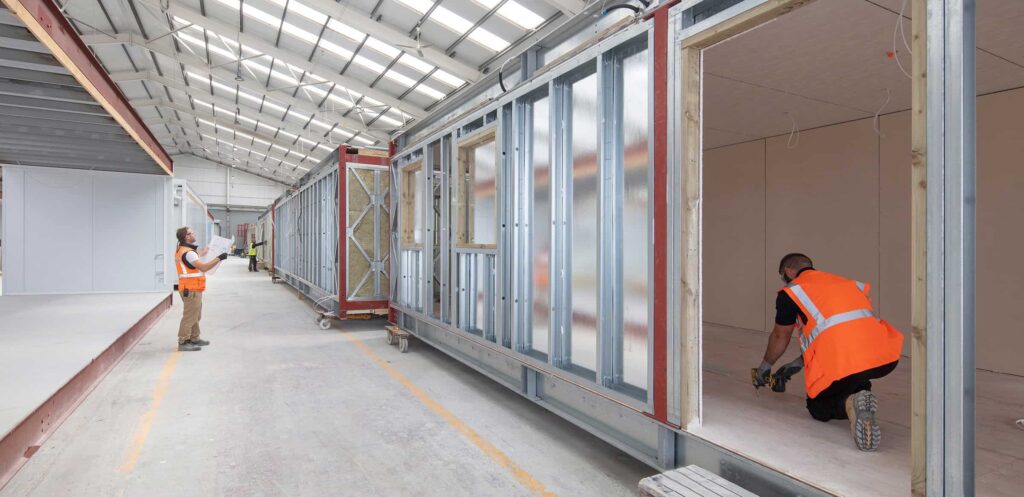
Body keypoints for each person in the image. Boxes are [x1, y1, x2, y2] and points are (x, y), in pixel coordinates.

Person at [754, 253, 903, 451]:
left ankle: (849, 403)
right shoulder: (847, 283)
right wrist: (798, 364)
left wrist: (764, 368)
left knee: (818, 407)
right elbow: (840, 331)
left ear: (789, 271)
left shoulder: (792, 291)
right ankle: (861, 396)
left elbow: (781, 336)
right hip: (885, 356)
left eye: (782, 275)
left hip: (844, 359)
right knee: (853, 377)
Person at [175, 226, 228, 352]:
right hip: (191, 289)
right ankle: (183, 341)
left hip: (191, 288)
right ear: (186, 237)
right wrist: (219, 258)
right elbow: (204, 268)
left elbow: (191, 258)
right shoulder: (189, 253)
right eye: (191, 233)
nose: (194, 234)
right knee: (189, 316)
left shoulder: (182, 250)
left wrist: (202, 253)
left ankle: (194, 338)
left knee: (195, 315)